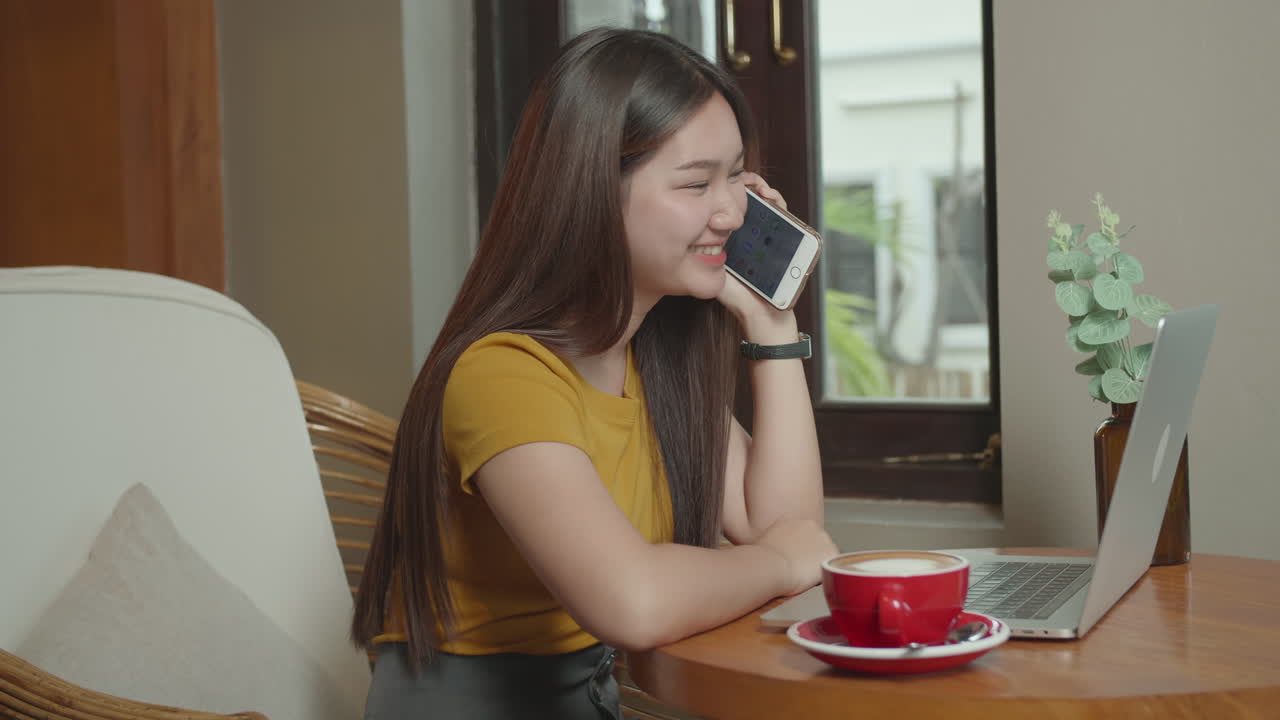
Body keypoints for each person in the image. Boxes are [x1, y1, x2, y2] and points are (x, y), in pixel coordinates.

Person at [353, 27, 837, 719]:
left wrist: (772, 326)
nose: (732, 211)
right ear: (592, 193)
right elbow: (632, 601)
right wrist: (784, 561)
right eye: (697, 183)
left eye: (736, 176)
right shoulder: (502, 374)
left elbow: (789, 528)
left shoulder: (653, 364)